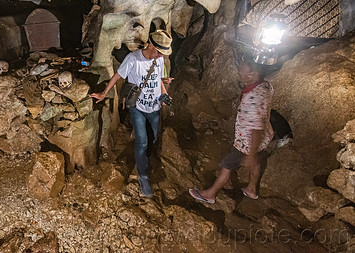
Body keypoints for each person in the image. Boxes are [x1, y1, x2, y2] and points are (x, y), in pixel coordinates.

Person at [90, 29, 173, 198]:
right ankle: (143, 177)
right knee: (142, 142)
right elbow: (117, 76)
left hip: (154, 108)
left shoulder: (159, 59)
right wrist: (104, 93)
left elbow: (158, 79)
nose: (159, 56)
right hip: (138, 108)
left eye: (162, 53)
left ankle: (144, 159)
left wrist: (164, 95)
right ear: (150, 45)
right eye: (158, 52)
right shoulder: (133, 59)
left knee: (153, 138)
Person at [189, 59, 274, 203]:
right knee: (257, 161)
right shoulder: (266, 86)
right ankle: (252, 189)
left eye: (243, 71)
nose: (240, 73)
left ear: (253, 74)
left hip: (246, 142)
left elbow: (256, 128)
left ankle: (210, 194)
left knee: (227, 164)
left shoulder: (252, 98)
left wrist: (251, 153)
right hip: (264, 137)